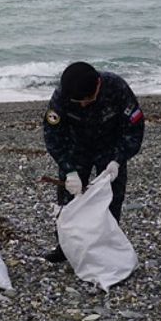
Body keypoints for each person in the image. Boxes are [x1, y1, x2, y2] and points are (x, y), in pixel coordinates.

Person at [41, 61, 145, 263]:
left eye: (87, 100)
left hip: (110, 149)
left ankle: (108, 246)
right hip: (76, 149)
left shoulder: (116, 88)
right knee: (68, 200)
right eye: (78, 101)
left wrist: (118, 160)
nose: (82, 105)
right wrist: (69, 170)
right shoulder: (62, 95)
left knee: (112, 198)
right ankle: (65, 246)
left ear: (98, 84)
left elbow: (135, 129)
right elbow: (52, 135)